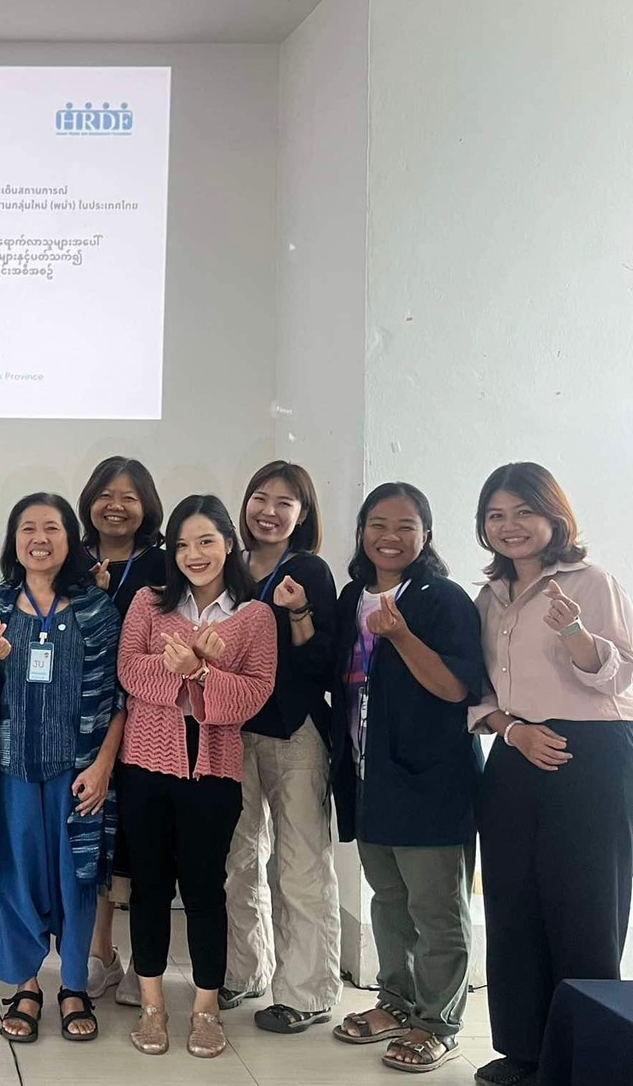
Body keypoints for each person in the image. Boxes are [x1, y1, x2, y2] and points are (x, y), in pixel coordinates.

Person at [468, 464, 633, 1086]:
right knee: (511, 902)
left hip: (589, 753)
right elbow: (478, 691)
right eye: (495, 515)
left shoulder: (592, 582)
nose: (508, 526)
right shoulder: (490, 597)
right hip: (516, 751)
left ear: (553, 516)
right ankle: (523, 1052)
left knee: (586, 908)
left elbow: (620, 674)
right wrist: (514, 731)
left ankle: (584, 1059)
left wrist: (574, 633)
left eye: (523, 512)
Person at [0, 493, 124, 1044]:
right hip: (12, 768)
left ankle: (73, 986)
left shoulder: (97, 610)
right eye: (27, 528)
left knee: (77, 879)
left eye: (52, 528)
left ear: (70, 539)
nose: (39, 538)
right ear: (14, 540)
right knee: (16, 876)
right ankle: (26, 987)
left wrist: (104, 766)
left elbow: (120, 699)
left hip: (79, 772)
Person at [328, 483, 482, 1075]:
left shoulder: (442, 600)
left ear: (426, 535)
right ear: (362, 531)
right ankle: (395, 1002)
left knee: (436, 909)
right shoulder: (352, 596)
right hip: (369, 776)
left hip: (431, 782)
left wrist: (400, 635)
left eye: (405, 526)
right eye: (378, 524)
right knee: (389, 901)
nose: (389, 537)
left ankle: (438, 1023)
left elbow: (455, 688)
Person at [116, 494, 276, 1060]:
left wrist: (202, 672)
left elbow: (255, 694)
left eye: (206, 540)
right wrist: (183, 665)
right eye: (182, 544)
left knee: (206, 889)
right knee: (150, 887)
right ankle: (153, 1004)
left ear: (229, 543)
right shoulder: (149, 602)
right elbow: (129, 670)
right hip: (144, 766)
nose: (194, 554)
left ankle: (206, 1008)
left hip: (214, 772)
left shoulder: (255, 616)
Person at [220, 461, 342, 1032]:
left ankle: (307, 992)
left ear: (303, 513)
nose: (268, 511)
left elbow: (323, 663)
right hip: (232, 730)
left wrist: (298, 612)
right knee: (237, 858)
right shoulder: (229, 566)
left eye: (284, 502)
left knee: (300, 864)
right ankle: (244, 971)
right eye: (260, 498)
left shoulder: (309, 569)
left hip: (295, 731)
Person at [76, 455, 166, 1006]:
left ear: (146, 506)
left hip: (151, 719)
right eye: (106, 494)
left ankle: (142, 961)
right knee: (98, 837)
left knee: (143, 842)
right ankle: (100, 953)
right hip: (86, 719)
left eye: (129, 497)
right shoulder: (72, 557)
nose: (116, 506)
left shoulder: (163, 565)